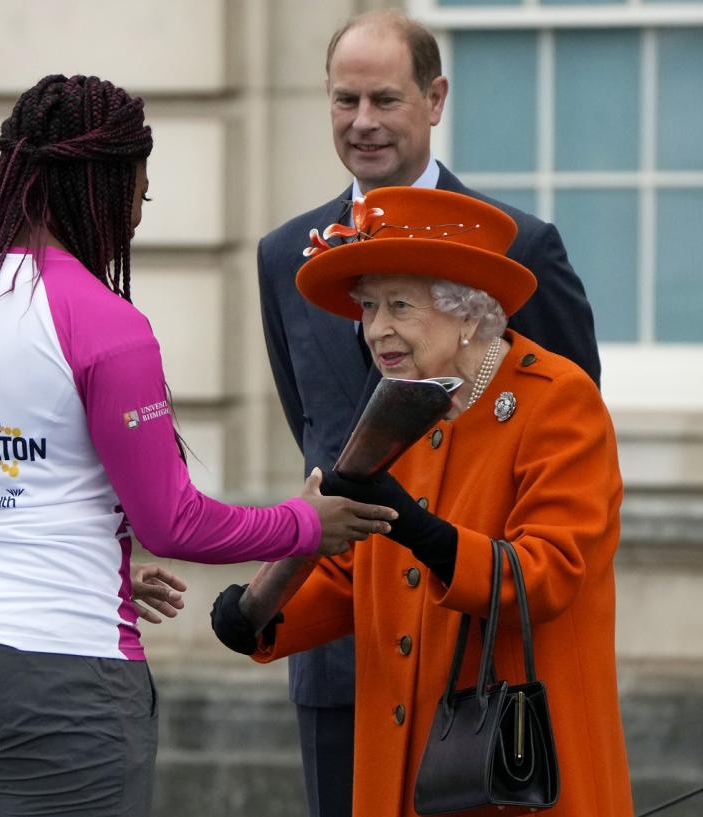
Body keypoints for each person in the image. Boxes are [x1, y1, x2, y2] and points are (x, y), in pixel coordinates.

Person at [0, 73, 397, 817]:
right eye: (139, 196)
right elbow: (173, 521)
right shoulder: (103, 321)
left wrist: (98, 551)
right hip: (54, 667)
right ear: (104, 185)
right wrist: (309, 522)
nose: (135, 221)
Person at [256, 11, 602, 815]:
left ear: (436, 97)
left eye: (385, 98)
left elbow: (563, 438)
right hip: (344, 640)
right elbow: (317, 430)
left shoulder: (518, 247)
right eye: (345, 100)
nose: (364, 122)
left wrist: (443, 544)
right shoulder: (285, 254)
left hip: (482, 654)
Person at [214, 185, 633, 816]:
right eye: (368, 307)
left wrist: (419, 530)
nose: (376, 329)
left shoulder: (556, 399)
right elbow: (360, 574)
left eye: (399, 306)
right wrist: (259, 609)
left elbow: (550, 572)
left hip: (517, 770)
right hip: (404, 769)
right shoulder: (401, 406)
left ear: (468, 313)